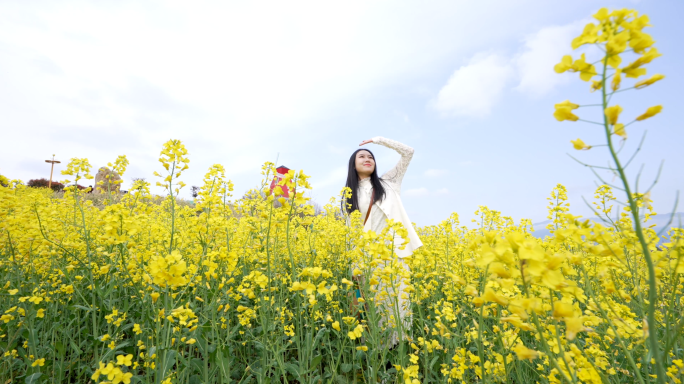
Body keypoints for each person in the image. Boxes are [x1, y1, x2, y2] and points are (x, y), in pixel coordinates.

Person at [342, 136, 423, 348]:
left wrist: (378, 141)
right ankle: (379, 357)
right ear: (353, 164)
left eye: (371, 156)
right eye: (362, 156)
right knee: (375, 309)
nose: (367, 158)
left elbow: (408, 152)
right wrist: (355, 266)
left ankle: (399, 352)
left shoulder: (389, 183)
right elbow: (352, 233)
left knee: (398, 306)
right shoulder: (348, 195)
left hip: (395, 255)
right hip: (369, 259)